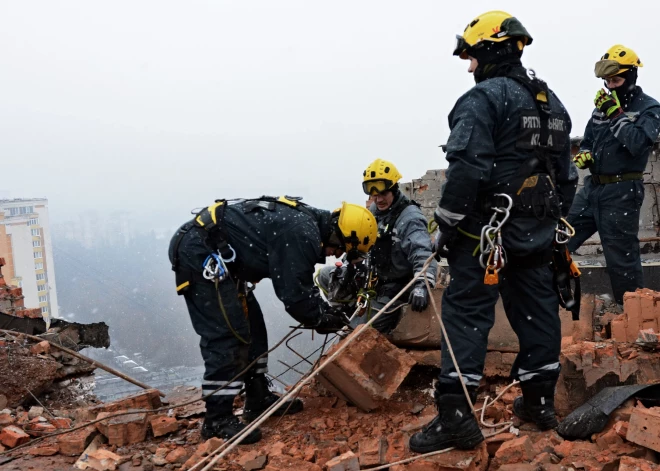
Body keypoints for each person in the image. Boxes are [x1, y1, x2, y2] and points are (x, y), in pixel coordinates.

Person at [409, 11, 578, 453]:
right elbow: (568, 178)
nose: (469, 67)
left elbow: (467, 167)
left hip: (487, 234)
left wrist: (445, 225)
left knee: (466, 315)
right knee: (536, 311)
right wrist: (546, 222)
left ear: (489, 50)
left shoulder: (483, 99)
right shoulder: (553, 104)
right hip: (536, 233)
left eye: (471, 57)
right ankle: (539, 403)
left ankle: (455, 417)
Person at [168, 196, 378, 444]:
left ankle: (257, 398)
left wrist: (323, 313)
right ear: (340, 234)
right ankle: (217, 419)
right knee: (227, 335)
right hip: (200, 252)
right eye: (340, 248)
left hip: (220, 257)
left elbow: (299, 287)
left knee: (253, 326)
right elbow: (295, 296)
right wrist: (323, 318)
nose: (335, 255)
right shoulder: (303, 232)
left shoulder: (308, 225)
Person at [567, 45, 660, 306]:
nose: (610, 86)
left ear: (631, 76)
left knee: (621, 258)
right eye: (607, 81)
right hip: (591, 190)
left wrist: (615, 114)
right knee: (558, 240)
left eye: (616, 80)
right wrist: (585, 153)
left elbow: (638, 143)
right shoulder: (601, 108)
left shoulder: (649, 108)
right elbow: (589, 139)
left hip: (622, 192)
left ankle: (632, 316)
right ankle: (551, 305)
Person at [316, 159, 438, 333]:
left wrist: (422, 285)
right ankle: (350, 310)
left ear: (394, 189)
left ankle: (361, 321)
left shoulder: (410, 219)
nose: (378, 200)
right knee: (325, 276)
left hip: (395, 287)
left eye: (383, 194)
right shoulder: (374, 211)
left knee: (362, 329)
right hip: (372, 279)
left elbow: (423, 253)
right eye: (374, 196)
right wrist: (348, 265)